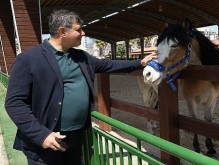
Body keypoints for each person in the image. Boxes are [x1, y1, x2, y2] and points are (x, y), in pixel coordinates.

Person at [4, 9, 158, 165]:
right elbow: (14, 103)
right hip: (47, 139)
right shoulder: (29, 59)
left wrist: (140, 62)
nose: (83, 33)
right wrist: (41, 135)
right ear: (63, 32)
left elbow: (108, 64)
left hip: (76, 136)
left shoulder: (81, 57)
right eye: (78, 29)